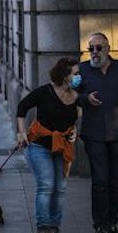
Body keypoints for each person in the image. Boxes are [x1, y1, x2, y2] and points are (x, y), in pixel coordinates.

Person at [17, 57, 81, 233]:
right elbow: (22, 107)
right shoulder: (45, 92)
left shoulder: (76, 96)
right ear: (65, 75)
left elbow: (75, 116)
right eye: (75, 73)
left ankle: (54, 224)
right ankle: (43, 225)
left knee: (60, 188)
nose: (78, 77)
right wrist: (21, 133)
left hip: (61, 146)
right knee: (46, 185)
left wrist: (74, 130)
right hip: (39, 146)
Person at [77, 32, 118, 233]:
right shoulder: (82, 70)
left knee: (115, 179)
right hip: (94, 134)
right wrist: (85, 99)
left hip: (117, 132)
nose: (94, 52)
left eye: (98, 48)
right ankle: (101, 223)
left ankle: (114, 219)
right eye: (90, 48)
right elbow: (70, 96)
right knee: (100, 180)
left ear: (108, 48)